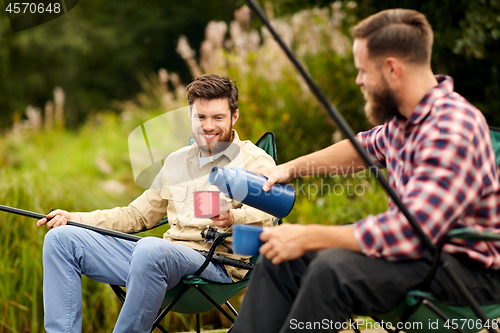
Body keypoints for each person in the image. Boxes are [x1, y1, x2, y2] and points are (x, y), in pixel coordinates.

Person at [231, 9, 500, 333]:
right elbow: (362, 149)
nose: (358, 80)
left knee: (331, 270)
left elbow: (412, 233)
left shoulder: (450, 127)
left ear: (392, 69)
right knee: (281, 258)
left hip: (463, 273)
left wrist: (307, 235)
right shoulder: (409, 120)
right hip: (419, 258)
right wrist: (289, 168)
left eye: (362, 71)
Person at [36, 73, 275, 333]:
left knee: (151, 250)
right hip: (157, 260)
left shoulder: (255, 162)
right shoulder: (175, 161)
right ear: (190, 117)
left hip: (214, 266)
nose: (208, 126)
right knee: (60, 240)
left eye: (218, 117)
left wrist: (232, 218)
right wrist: (75, 218)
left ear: (234, 116)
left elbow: (266, 215)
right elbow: (136, 215)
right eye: (200, 117)